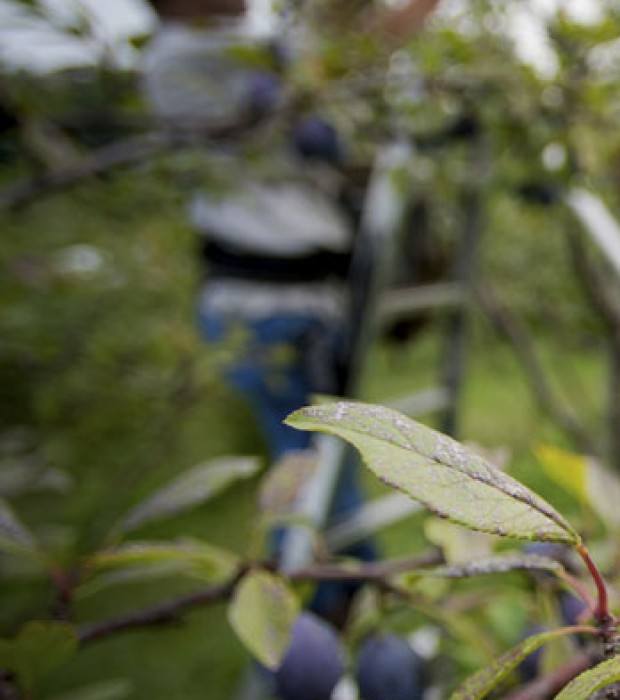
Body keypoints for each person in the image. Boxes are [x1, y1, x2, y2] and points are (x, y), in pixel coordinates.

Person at [140, 0, 440, 623]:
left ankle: (340, 613)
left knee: (323, 471)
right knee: (314, 479)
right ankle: (316, 619)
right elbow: (343, 55)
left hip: (290, 304)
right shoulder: (195, 54)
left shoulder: (232, 49)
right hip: (269, 310)